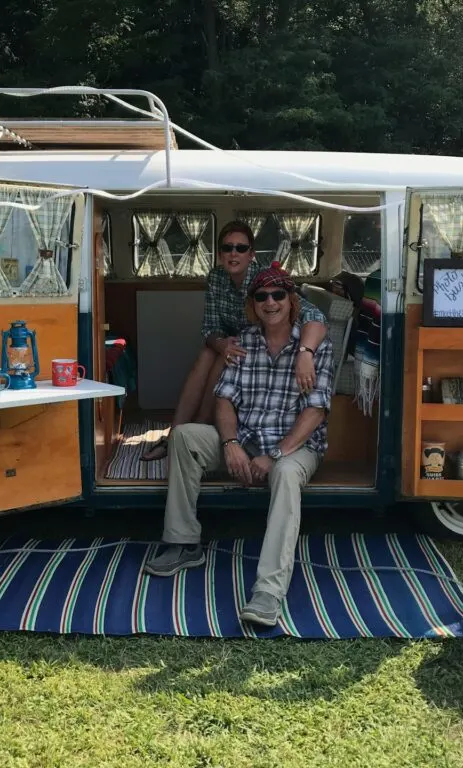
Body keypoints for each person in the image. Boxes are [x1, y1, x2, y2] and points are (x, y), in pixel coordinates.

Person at [142, 262, 335, 627]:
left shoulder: (314, 348)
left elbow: (316, 412)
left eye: (278, 294)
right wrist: (230, 443)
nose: (270, 302)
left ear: (292, 301)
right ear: (253, 304)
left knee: (288, 474)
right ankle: (184, 543)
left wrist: (274, 454)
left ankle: (268, 591)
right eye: (262, 296)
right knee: (184, 436)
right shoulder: (243, 341)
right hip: (244, 438)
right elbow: (224, 399)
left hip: (292, 446)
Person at [140, 220, 328, 461]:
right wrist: (222, 344)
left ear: (251, 254)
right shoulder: (216, 278)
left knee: (223, 357)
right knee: (210, 352)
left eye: (241, 248)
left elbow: (315, 315)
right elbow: (210, 328)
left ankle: (194, 432)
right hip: (237, 348)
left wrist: (305, 351)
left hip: (263, 350)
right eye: (227, 248)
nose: (233, 253)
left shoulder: (265, 280)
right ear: (219, 254)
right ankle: (176, 435)